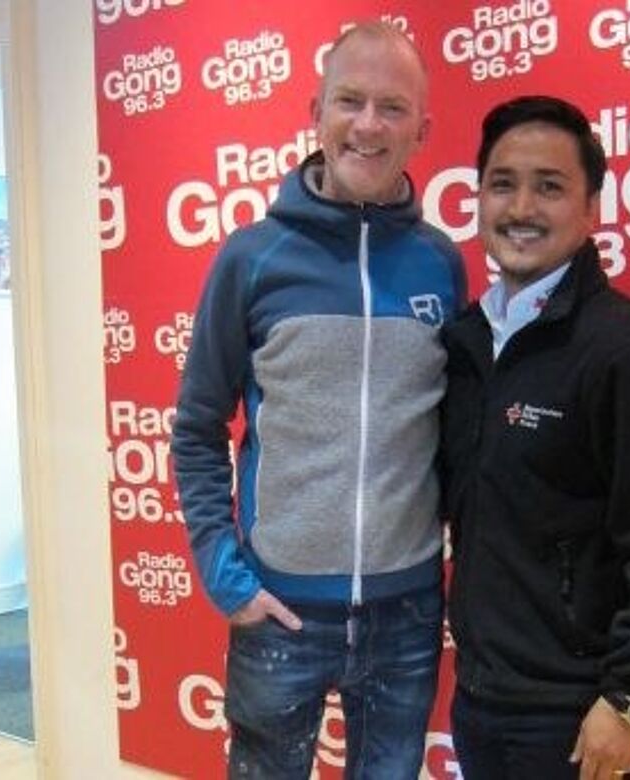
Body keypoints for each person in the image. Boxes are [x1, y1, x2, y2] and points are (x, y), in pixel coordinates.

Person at [172, 22, 466, 779]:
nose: (369, 125)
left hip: (407, 612)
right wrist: (227, 576)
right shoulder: (253, 258)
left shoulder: (440, 264)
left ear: (422, 130)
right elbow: (198, 426)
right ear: (317, 112)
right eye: (350, 101)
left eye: (393, 108)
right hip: (281, 609)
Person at [439, 96, 630, 780]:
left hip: (578, 714)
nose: (521, 208)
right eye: (503, 184)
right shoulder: (464, 344)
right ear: (478, 200)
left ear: (592, 209)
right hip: (480, 697)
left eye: (549, 187)